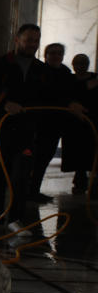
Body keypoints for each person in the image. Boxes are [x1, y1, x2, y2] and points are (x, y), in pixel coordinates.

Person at [0, 24, 49, 234]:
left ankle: (16, 218)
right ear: (17, 39)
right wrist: (3, 103)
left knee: (21, 176)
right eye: (28, 39)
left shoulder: (40, 70)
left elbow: (51, 96)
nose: (32, 44)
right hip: (0, 129)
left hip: (26, 132)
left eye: (36, 40)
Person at [28, 43, 76, 202]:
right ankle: (28, 191)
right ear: (46, 55)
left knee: (44, 159)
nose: (56, 56)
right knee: (34, 160)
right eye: (52, 53)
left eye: (59, 53)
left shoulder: (66, 73)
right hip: (39, 123)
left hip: (56, 124)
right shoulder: (38, 71)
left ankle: (34, 190)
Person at [62, 54, 98, 193]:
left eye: (83, 63)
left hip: (92, 120)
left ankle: (93, 182)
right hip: (74, 123)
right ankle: (80, 180)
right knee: (77, 151)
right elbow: (66, 95)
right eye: (77, 63)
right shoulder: (69, 80)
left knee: (92, 150)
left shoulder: (95, 78)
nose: (80, 66)